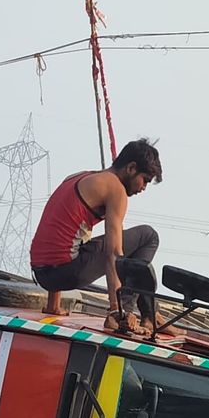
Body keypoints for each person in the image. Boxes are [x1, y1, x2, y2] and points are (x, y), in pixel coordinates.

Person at [30, 138, 164, 334]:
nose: (143, 188)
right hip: (67, 272)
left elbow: (58, 236)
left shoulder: (78, 177)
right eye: (144, 180)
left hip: (42, 273)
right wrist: (115, 311)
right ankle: (128, 310)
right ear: (131, 168)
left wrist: (54, 307)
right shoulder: (115, 189)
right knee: (148, 236)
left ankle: (149, 311)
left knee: (83, 240)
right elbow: (113, 254)